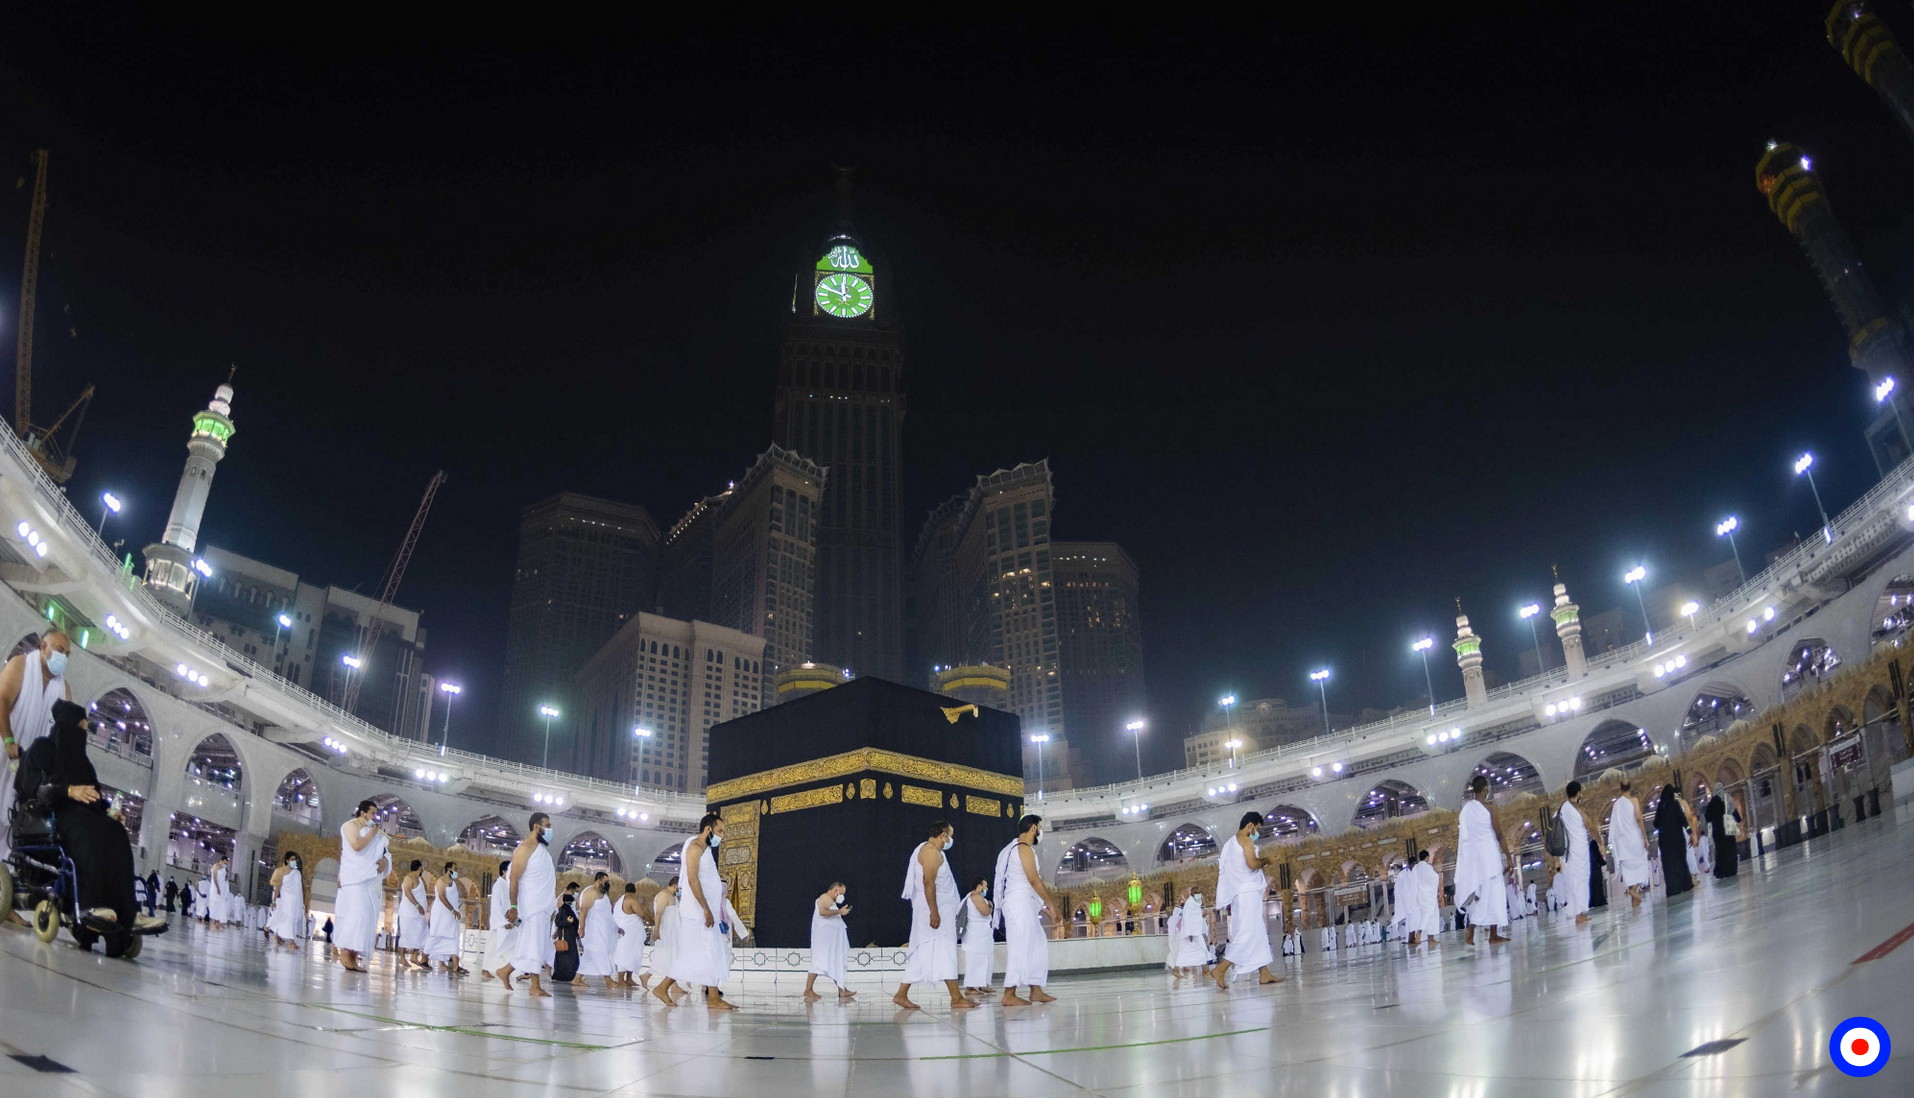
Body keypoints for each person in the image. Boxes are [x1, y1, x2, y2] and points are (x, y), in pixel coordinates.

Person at [11, 699, 164, 934]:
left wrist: (110, 813)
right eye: (81, 727)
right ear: (68, 726)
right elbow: (35, 788)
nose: (84, 732)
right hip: (49, 816)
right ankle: (90, 906)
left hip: (81, 817)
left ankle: (127, 912)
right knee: (86, 829)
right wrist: (69, 791)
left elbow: (94, 798)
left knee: (116, 832)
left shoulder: (83, 764)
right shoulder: (42, 749)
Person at [0, 630, 72, 863]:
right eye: (60, 650)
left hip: (31, 775)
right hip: (5, 755)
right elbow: (2, 700)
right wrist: (9, 740)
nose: (64, 657)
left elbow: (66, 735)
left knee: (17, 827)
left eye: (67, 654)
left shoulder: (64, 690)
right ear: (43, 646)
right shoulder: (20, 665)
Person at [654, 813, 734, 1010]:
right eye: (719, 831)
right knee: (701, 953)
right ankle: (664, 988)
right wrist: (706, 909)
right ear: (708, 829)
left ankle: (712, 996)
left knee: (708, 953)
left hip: (707, 912)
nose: (721, 836)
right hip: (698, 912)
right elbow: (692, 880)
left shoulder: (705, 849)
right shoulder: (694, 848)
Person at [894, 821, 974, 1011]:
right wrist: (934, 911)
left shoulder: (936, 853)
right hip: (934, 912)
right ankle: (956, 998)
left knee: (926, 952)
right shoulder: (930, 852)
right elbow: (928, 882)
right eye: (950, 835)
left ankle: (901, 994)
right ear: (943, 835)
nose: (951, 840)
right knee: (944, 950)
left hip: (939, 911)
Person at [994, 814, 1062, 1006]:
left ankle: (1036, 989)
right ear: (1033, 828)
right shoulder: (1023, 849)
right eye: (1039, 827)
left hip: (1020, 903)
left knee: (1036, 944)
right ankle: (1009, 994)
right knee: (1020, 946)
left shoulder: (1012, 849)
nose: (1040, 832)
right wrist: (1051, 904)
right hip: (1019, 902)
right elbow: (1033, 879)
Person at [1211, 811, 1280, 988]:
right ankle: (1221, 968)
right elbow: (1252, 864)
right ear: (1250, 825)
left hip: (1240, 894)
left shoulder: (1229, 844)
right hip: (1248, 893)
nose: (1256, 833)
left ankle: (1264, 973)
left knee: (1257, 932)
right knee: (1248, 933)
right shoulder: (1245, 840)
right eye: (1256, 829)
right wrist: (1267, 860)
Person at [496, 812, 558, 998]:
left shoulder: (541, 850)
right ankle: (534, 985)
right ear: (536, 827)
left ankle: (506, 971)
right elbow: (513, 878)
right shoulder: (525, 848)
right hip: (531, 906)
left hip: (542, 906)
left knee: (533, 945)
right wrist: (514, 907)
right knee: (533, 945)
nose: (550, 829)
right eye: (547, 825)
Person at [333, 799, 389, 973]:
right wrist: (372, 834)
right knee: (357, 915)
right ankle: (344, 952)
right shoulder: (349, 826)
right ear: (363, 813)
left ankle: (353, 954)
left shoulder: (373, 832)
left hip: (368, 879)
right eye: (372, 813)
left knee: (366, 918)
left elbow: (385, 851)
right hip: (353, 878)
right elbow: (356, 846)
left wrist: (385, 861)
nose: (374, 816)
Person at [1455, 775, 1512, 945]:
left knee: (1485, 894)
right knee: (1493, 893)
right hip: (1490, 856)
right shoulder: (1490, 808)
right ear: (1486, 789)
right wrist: (1509, 857)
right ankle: (1476, 930)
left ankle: (1490, 934)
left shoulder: (1466, 810)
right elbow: (1500, 835)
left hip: (1476, 860)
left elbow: (1464, 837)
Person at [1554, 781, 1600, 926]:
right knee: (1580, 881)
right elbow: (1591, 826)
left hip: (1566, 855)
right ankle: (1579, 914)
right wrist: (1600, 842)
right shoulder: (1577, 810)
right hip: (1578, 852)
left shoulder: (1560, 810)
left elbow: (1554, 832)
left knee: (1572, 883)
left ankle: (1578, 913)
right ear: (1578, 793)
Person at [806, 881, 855, 1001]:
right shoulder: (824, 898)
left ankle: (842, 990)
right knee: (818, 964)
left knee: (835, 962)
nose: (841, 896)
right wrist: (839, 912)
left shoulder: (831, 901)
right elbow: (822, 912)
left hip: (831, 942)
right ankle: (808, 990)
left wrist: (840, 912)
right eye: (841, 893)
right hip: (823, 941)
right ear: (835, 890)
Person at [1607, 779, 1651, 906]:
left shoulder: (1616, 805)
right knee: (1641, 863)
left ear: (1620, 788)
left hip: (1623, 843)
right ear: (1630, 788)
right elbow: (1638, 818)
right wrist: (1644, 836)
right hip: (1634, 838)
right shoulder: (1634, 801)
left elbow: (1614, 826)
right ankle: (1632, 890)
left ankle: (1634, 898)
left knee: (1628, 868)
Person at [1653, 784, 1695, 898]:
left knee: (1669, 865)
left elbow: (1655, 824)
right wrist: (1690, 833)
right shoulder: (1675, 804)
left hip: (1665, 842)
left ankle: (1673, 888)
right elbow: (1683, 821)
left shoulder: (1660, 806)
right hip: (1678, 840)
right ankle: (1685, 885)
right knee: (1681, 862)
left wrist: (1663, 825)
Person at [578, 871, 618, 989]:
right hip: (593, 931)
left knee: (588, 956)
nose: (608, 883)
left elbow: (607, 915)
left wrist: (616, 927)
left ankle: (577, 978)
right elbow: (583, 910)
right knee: (600, 953)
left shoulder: (603, 894)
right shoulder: (590, 892)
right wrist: (582, 928)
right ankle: (608, 980)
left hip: (603, 930)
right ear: (599, 881)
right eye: (606, 881)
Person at [428, 861, 467, 975]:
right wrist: (452, 910)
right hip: (442, 915)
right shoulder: (441, 881)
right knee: (437, 937)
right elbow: (441, 897)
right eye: (455, 868)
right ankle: (425, 959)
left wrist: (455, 911)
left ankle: (455, 966)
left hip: (452, 917)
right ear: (449, 869)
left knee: (454, 938)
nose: (456, 871)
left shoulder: (453, 883)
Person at [481, 860, 515, 982]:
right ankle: (485, 969)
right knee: (492, 946)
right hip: (500, 922)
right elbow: (496, 906)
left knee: (506, 947)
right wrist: (503, 922)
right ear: (504, 871)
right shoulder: (498, 885)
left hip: (508, 922)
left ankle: (503, 969)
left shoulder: (508, 885)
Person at [961, 877, 995, 995]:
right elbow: (985, 912)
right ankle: (970, 987)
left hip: (982, 934)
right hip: (976, 935)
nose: (987, 889)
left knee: (986, 959)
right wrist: (990, 906)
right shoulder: (976, 897)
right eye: (985, 886)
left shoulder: (974, 898)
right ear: (979, 887)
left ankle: (983, 983)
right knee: (975, 960)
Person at [611, 881, 647, 990]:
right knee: (626, 955)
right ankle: (622, 980)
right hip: (628, 933)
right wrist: (653, 921)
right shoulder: (631, 901)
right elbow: (642, 914)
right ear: (634, 892)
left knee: (629, 954)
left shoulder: (618, 902)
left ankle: (629, 979)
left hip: (625, 933)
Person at [267, 851, 306, 950]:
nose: (294, 861)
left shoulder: (296, 873)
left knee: (287, 918)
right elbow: (277, 887)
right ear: (287, 860)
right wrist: (274, 901)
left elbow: (299, 889)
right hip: (286, 898)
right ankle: (292, 942)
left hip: (295, 899)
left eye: (295, 860)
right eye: (292, 859)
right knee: (290, 918)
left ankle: (277, 935)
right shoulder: (281, 872)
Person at [1169, 885, 1210, 980]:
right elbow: (1186, 919)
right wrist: (1189, 933)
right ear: (1193, 894)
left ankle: (1205, 969)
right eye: (1197, 893)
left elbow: (1195, 917)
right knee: (1188, 951)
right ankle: (1176, 970)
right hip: (1190, 934)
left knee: (1202, 949)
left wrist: (1203, 915)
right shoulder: (1190, 904)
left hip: (1196, 932)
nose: (1198, 895)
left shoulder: (1195, 904)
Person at [397, 860, 432, 970]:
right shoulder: (409, 878)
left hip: (419, 915)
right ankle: (402, 957)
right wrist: (417, 905)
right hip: (408, 913)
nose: (423, 870)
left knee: (423, 934)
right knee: (406, 935)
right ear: (420, 868)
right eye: (422, 868)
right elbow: (407, 892)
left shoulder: (419, 879)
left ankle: (414, 956)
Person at [1704, 787, 1740, 880]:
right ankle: (1731, 870)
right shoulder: (1726, 797)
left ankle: (1721, 872)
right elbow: (1733, 809)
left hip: (1718, 831)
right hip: (1728, 829)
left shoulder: (1711, 803)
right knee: (1730, 850)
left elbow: (1707, 817)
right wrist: (1738, 819)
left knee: (1721, 851)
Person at [1409, 850, 1441, 946]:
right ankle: (1420, 932)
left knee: (1426, 915)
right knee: (1431, 915)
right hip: (1429, 896)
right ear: (1427, 857)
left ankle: (1430, 939)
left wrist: (1414, 896)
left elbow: (1413, 882)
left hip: (1420, 896)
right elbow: (1435, 877)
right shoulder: (1428, 867)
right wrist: (1436, 875)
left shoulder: (1415, 868)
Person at [551, 892, 581, 983]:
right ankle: (568, 975)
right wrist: (568, 922)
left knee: (564, 957)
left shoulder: (564, 909)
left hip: (566, 937)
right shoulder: (566, 910)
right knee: (569, 957)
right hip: (568, 937)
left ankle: (563, 975)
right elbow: (559, 923)